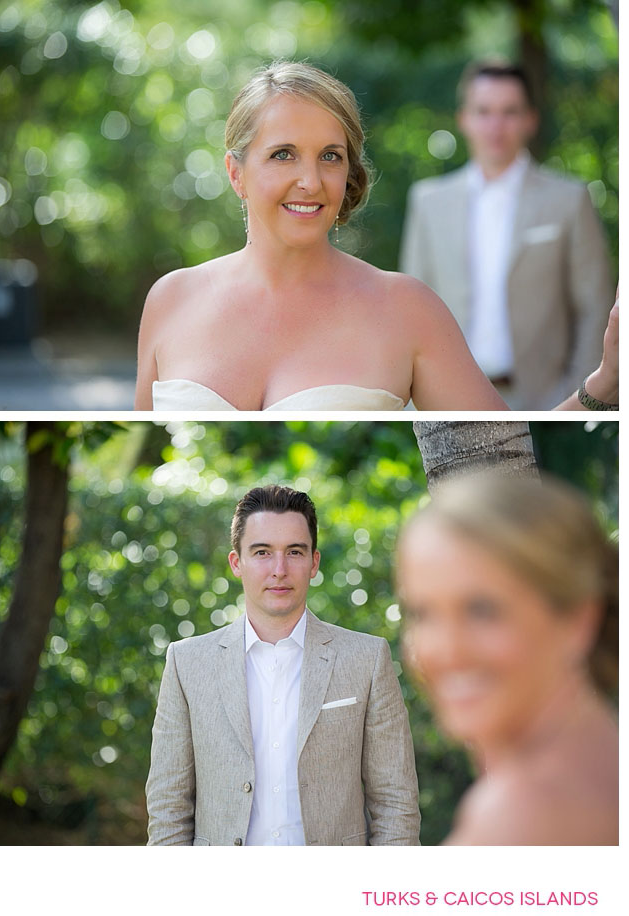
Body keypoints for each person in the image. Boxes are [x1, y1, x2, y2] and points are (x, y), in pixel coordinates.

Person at [134, 61, 617, 411]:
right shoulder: (169, 300)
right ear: (235, 173)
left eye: (330, 156)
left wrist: (603, 384)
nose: (311, 181)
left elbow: (501, 467)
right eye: (283, 154)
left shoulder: (406, 307)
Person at [146, 484, 420, 846]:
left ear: (314, 563)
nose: (279, 569)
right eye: (262, 552)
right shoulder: (187, 664)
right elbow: (168, 808)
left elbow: (395, 804)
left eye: (294, 552)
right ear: (236, 563)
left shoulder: (366, 659)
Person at [396, 473, 617, 845]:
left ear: (577, 618)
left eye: (482, 611)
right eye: (422, 614)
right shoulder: (603, 757)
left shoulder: (524, 813)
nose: (447, 651)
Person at [400, 61, 615, 409]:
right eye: (483, 111)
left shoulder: (569, 200)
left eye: (509, 112)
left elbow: (594, 307)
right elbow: (409, 309)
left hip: (548, 400)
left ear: (530, 119)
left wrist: (579, 396)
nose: (495, 126)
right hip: (446, 399)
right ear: (463, 119)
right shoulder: (428, 201)